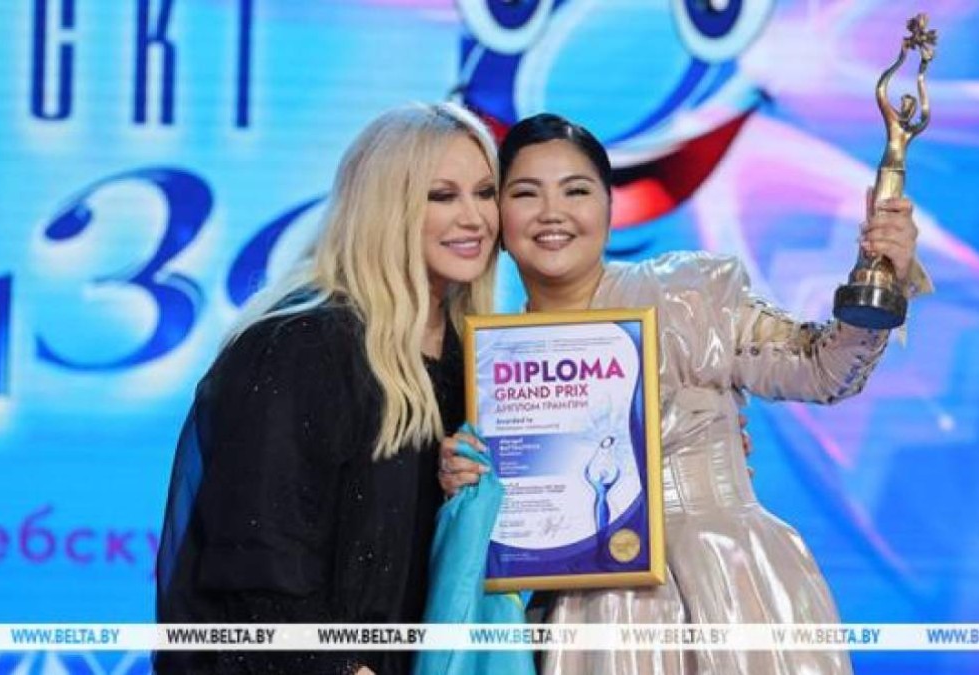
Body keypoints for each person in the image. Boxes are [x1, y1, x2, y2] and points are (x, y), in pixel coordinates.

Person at [472, 112, 929, 675]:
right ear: (498, 216)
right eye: (526, 193)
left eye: (576, 190)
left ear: (610, 206)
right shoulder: (489, 365)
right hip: (583, 616)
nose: (552, 213)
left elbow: (821, 367)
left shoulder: (687, 297)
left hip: (728, 584)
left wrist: (878, 279)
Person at [155, 102, 501, 675]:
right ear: (385, 208)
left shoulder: (477, 364)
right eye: (442, 196)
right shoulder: (299, 347)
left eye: (485, 192)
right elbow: (257, 576)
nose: (475, 218)